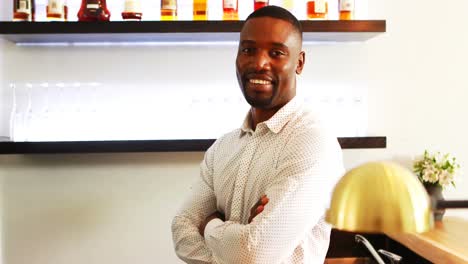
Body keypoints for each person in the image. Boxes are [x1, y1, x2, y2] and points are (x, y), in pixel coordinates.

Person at [172, 5, 344, 264]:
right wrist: (234, 243)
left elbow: (252, 254)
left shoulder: (313, 142)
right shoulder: (223, 147)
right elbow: (181, 231)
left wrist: (210, 224)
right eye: (248, 50)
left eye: (276, 53)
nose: (259, 63)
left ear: (299, 62)